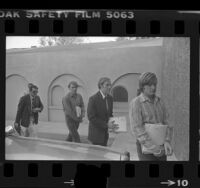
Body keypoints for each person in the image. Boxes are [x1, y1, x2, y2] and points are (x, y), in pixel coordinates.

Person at [129, 72, 173, 161]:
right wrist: (154, 148)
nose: (153, 87)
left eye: (154, 84)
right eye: (150, 85)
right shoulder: (136, 103)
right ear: (142, 86)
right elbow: (137, 128)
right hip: (146, 148)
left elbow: (167, 122)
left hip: (161, 146)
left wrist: (167, 141)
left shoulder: (160, 102)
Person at [87, 77, 119, 146]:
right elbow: (91, 117)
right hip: (96, 135)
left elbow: (110, 114)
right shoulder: (93, 99)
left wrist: (114, 125)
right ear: (101, 86)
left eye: (110, 85)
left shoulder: (110, 98)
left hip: (105, 134)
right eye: (107, 85)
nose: (109, 87)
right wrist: (107, 125)